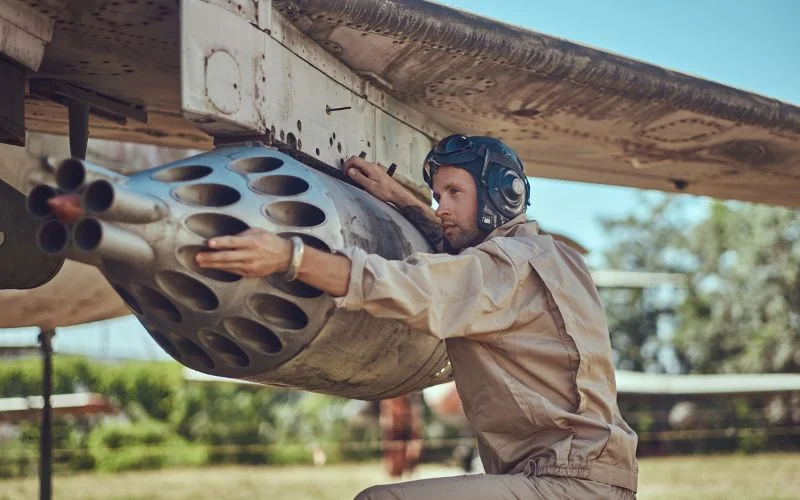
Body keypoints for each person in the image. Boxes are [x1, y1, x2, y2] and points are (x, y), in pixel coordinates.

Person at [51, 135, 639, 498]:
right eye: (439, 197)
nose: (442, 209)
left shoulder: (497, 272)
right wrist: (408, 202)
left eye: (454, 195)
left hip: (562, 485)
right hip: (588, 478)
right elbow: (468, 250)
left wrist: (290, 255)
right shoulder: (552, 256)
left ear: (499, 198)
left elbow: (403, 284)